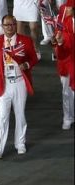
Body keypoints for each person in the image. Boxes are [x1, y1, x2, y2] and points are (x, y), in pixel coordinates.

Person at [0, 15, 39, 159]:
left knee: (20, 113)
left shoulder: (25, 40)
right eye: (6, 25)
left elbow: (34, 58)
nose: (9, 27)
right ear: (2, 26)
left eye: (12, 24)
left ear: (16, 25)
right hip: (3, 82)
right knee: (2, 116)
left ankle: (20, 143)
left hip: (19, 81)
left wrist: (27, 65)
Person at [52, 2, 74, 130]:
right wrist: (58, 41)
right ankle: (68, 117)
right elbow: (58, 31)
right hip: (66, 57)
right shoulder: (63, 11)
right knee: (66, 90)